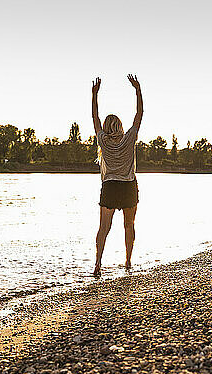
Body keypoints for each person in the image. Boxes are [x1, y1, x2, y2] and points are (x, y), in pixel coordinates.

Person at [92, 74, 143, 276]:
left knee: (103, 228)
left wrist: (94, 95)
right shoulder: (130, 138)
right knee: (128, 225)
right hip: (128, 186)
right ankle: (128, 261)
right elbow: (139, 114)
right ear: (120, 126)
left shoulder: (102, 140)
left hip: (110, 186)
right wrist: (137, 90)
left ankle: (98, 263)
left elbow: (94, 117)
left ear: (105, 127)